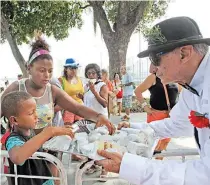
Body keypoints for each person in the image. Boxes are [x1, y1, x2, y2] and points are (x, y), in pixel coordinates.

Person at [96, 16, 210, 185]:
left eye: (155, 59)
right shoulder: (192, 86)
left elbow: (204, 175)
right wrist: (133, 129)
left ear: (184, 53)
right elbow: (177, 124)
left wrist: (128, 166)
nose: (151, 68)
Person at [1, 38, 115, 135]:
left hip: (47, 150)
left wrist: (99, 116)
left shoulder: (52, 91)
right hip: (20, 151)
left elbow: (77, 108)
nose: (47, 75)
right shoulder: (17, 88)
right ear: (29, 68)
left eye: (50, 71)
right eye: (42, 70)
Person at [1, 91, 74, 185]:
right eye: (31, 113)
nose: (36, 116)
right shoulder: (13, 139)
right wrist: (48, 133)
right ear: (14, 120)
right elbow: (17, 157)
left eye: (36, 110)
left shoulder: (31, 132)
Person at [134, 73, 178, 159]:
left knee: (163, 144)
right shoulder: (153, 77)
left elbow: (181, 93)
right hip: (156, 116)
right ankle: (148, 167)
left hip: (169, 116)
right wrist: (145, 107)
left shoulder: (175, 76)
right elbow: (137, 91)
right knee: (152, 145)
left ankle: (157, 166)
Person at [58, 58, 84, 125]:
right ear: (66, 69)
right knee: (68, 129)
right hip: (68, 109)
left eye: (75, 68)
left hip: (80, 108)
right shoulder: (61, 80)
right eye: (71, 68)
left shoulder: (79, 79)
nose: (74, 70)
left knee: (80, 129)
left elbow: (83, 94)